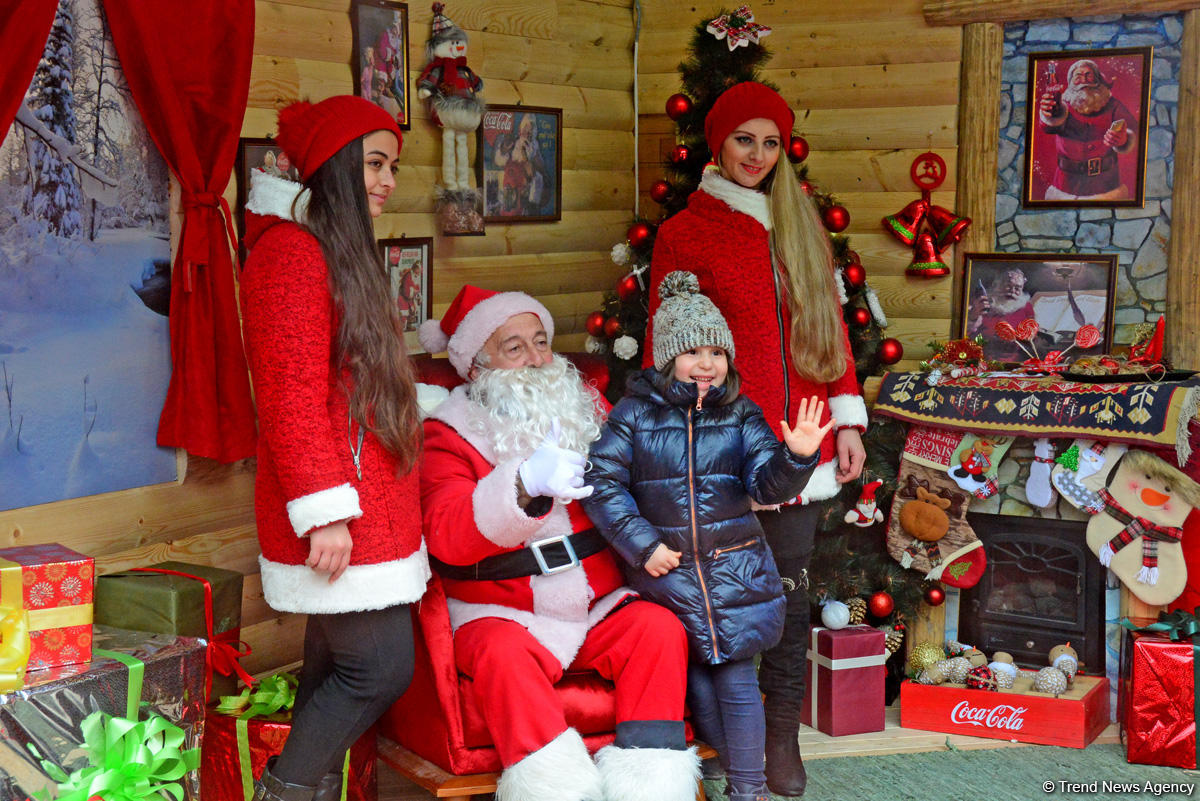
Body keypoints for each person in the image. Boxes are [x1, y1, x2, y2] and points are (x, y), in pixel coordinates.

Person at [646, 81, 868, 797]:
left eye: (771, 142)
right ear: (718, 142)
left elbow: (828, 329)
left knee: (790, 593)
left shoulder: (799, 221)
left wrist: (848, 415)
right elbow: (669, 341)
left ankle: (780, 734)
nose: (758, 155)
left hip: (803, 435)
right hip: (726, 445)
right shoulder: (690, 230)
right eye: (745, 139)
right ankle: (725, 733)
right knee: (728, 595)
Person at [417, 285, 700, 801]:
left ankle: (652, 787)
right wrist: (523, 483)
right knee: (501, 657)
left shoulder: (583, 407)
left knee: (657, 630)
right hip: (501, 609)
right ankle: (556, 789)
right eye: (514, 347)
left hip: (594, 600)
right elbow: (446, 534)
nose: (535, 359)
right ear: (478, 367)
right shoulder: (447, 434)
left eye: (541, 342)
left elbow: (645, 470)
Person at [239, 96, 430, 801]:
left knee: (329, 673)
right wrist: (324, 510)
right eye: (373, 163)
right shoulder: (290, 254)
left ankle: (304, 789)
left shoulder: (332, 249)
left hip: (369, 506)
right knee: (378, 669)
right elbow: (288, 398)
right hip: (341, 511)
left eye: (392, 166)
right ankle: (281, 791)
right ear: (336, 168)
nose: (386, 180)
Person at [583, 272, 831, 801]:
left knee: (737, 681)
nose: (707, 363)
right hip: (667, 575)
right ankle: (720, 772)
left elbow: (767, 483)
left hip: (733, 573)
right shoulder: (634, 415)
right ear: (666, 357)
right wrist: (642, 545)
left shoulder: (740, 415)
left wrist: (799, 457)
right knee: (695, 683)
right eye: (693, 350)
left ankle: (750, 790)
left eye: (717, 352)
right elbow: (600, 481)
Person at [1037, 58, 1136, 201]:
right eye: (1078, 76)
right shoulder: (1062, 106)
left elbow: (1136, 131)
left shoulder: (1113, 105)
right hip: (1066, 186)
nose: (1084, 80)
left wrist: (1123, 139)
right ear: (1070, 83)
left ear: (1097, 79)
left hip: (1105, 185)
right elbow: (1048, 127)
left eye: (1089, 75)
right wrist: (1048, 113)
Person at [966, 268, 1036, 362]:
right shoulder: (982, 303)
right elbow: (966, 334)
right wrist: (973, 316)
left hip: (1017, 361)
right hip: (983, 359)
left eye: (1017, 288)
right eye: (1008, 286)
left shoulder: (1026, 307)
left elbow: (1032, 336)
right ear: (996, 285)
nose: (1012, 291)